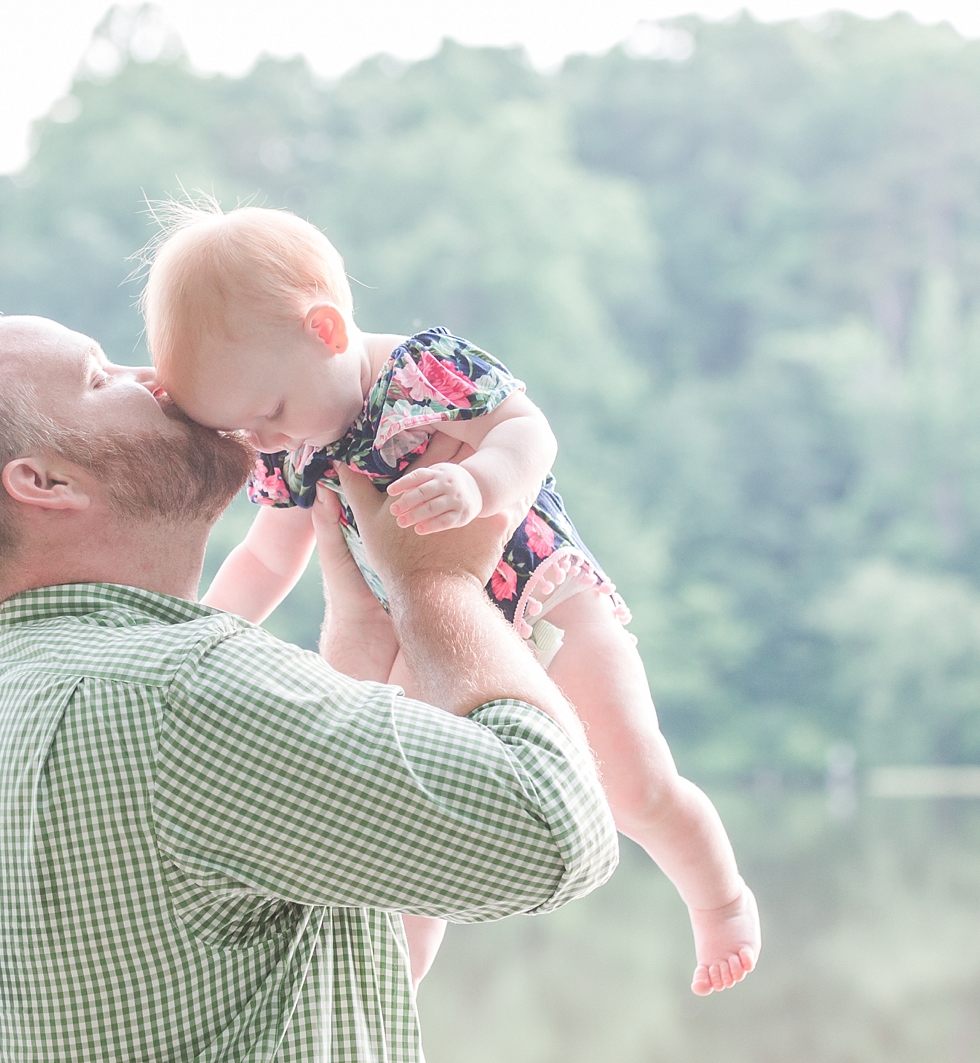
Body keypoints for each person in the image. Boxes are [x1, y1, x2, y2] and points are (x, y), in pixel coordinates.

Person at [0, 314, 620, 1063]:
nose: (159, 378)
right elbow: (553, 834)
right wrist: (436, 587)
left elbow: (326, 974)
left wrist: (365, 638)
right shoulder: (173, 691)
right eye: (102, 376)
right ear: (43, 480)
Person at [141, 202, 759, 994]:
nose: (266, 440)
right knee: (415, 836)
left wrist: (480, 481)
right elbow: (266, 555)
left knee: (634, 785)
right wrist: (203, 636)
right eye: (243, 431)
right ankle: (390, 993)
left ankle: (722, 904)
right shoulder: (291, 446)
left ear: (325, 331)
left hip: (543, 599)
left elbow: (531, 432)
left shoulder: (422, 371)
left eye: (269, 412)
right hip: (424, 640)